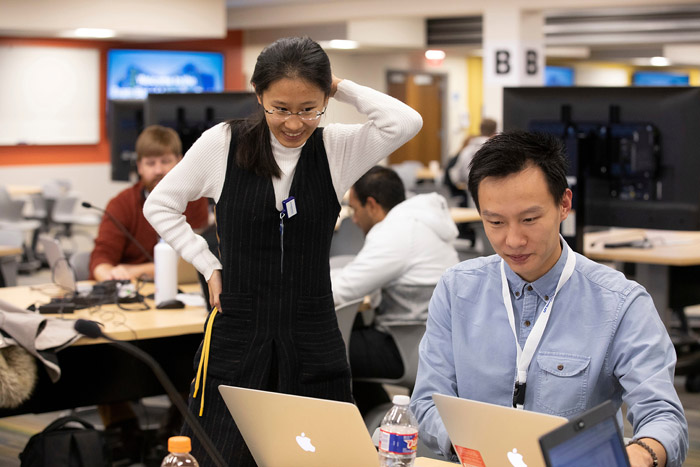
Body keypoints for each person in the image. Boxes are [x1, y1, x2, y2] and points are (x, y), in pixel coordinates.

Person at [144, 36, 422, 466]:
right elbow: (159, 204)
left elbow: (404, 122)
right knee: (218, 452)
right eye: (281, 109)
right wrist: (207, 264)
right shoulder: (224, 143)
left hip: (312, 330)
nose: (295, 123)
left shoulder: (337, 148)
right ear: (259, 96)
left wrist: (339, 85)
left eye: (309, 108)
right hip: (237, 329)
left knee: (323, 456)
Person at [410, 131, 688, 467]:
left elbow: (664, 417)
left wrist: (640, 455)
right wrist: (477, 450)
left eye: (529, 219)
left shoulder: (620, 303)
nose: (513, 240)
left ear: (564, 204)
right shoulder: (457, 291)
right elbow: (427, 401)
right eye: (495, 222)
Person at [331, 166, 459, 412]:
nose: (354, 219)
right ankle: (378, 414)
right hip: (432, 343)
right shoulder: (419, 221)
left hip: (409, 348)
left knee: (323, 350)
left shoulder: (396, 232)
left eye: (354, 210)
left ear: (371, 205)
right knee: (348, 343)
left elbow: (344, 290)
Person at [89, 125, 209, 282]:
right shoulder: (121, 205)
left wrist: (134, 270)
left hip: (185, 292)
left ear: (180, 162)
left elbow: (196, 262)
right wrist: (109, 273)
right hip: (133, 296)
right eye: (150, 163)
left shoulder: (195, 200)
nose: (158, 170)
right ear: (139, 167)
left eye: (165, 161)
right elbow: (101, 262)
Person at [447, 117, 497, 192]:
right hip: (494, 193)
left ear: (480, 130)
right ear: (495, 132)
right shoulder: (497, 150)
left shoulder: (467, 150)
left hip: (471, 195)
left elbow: (456, 176)